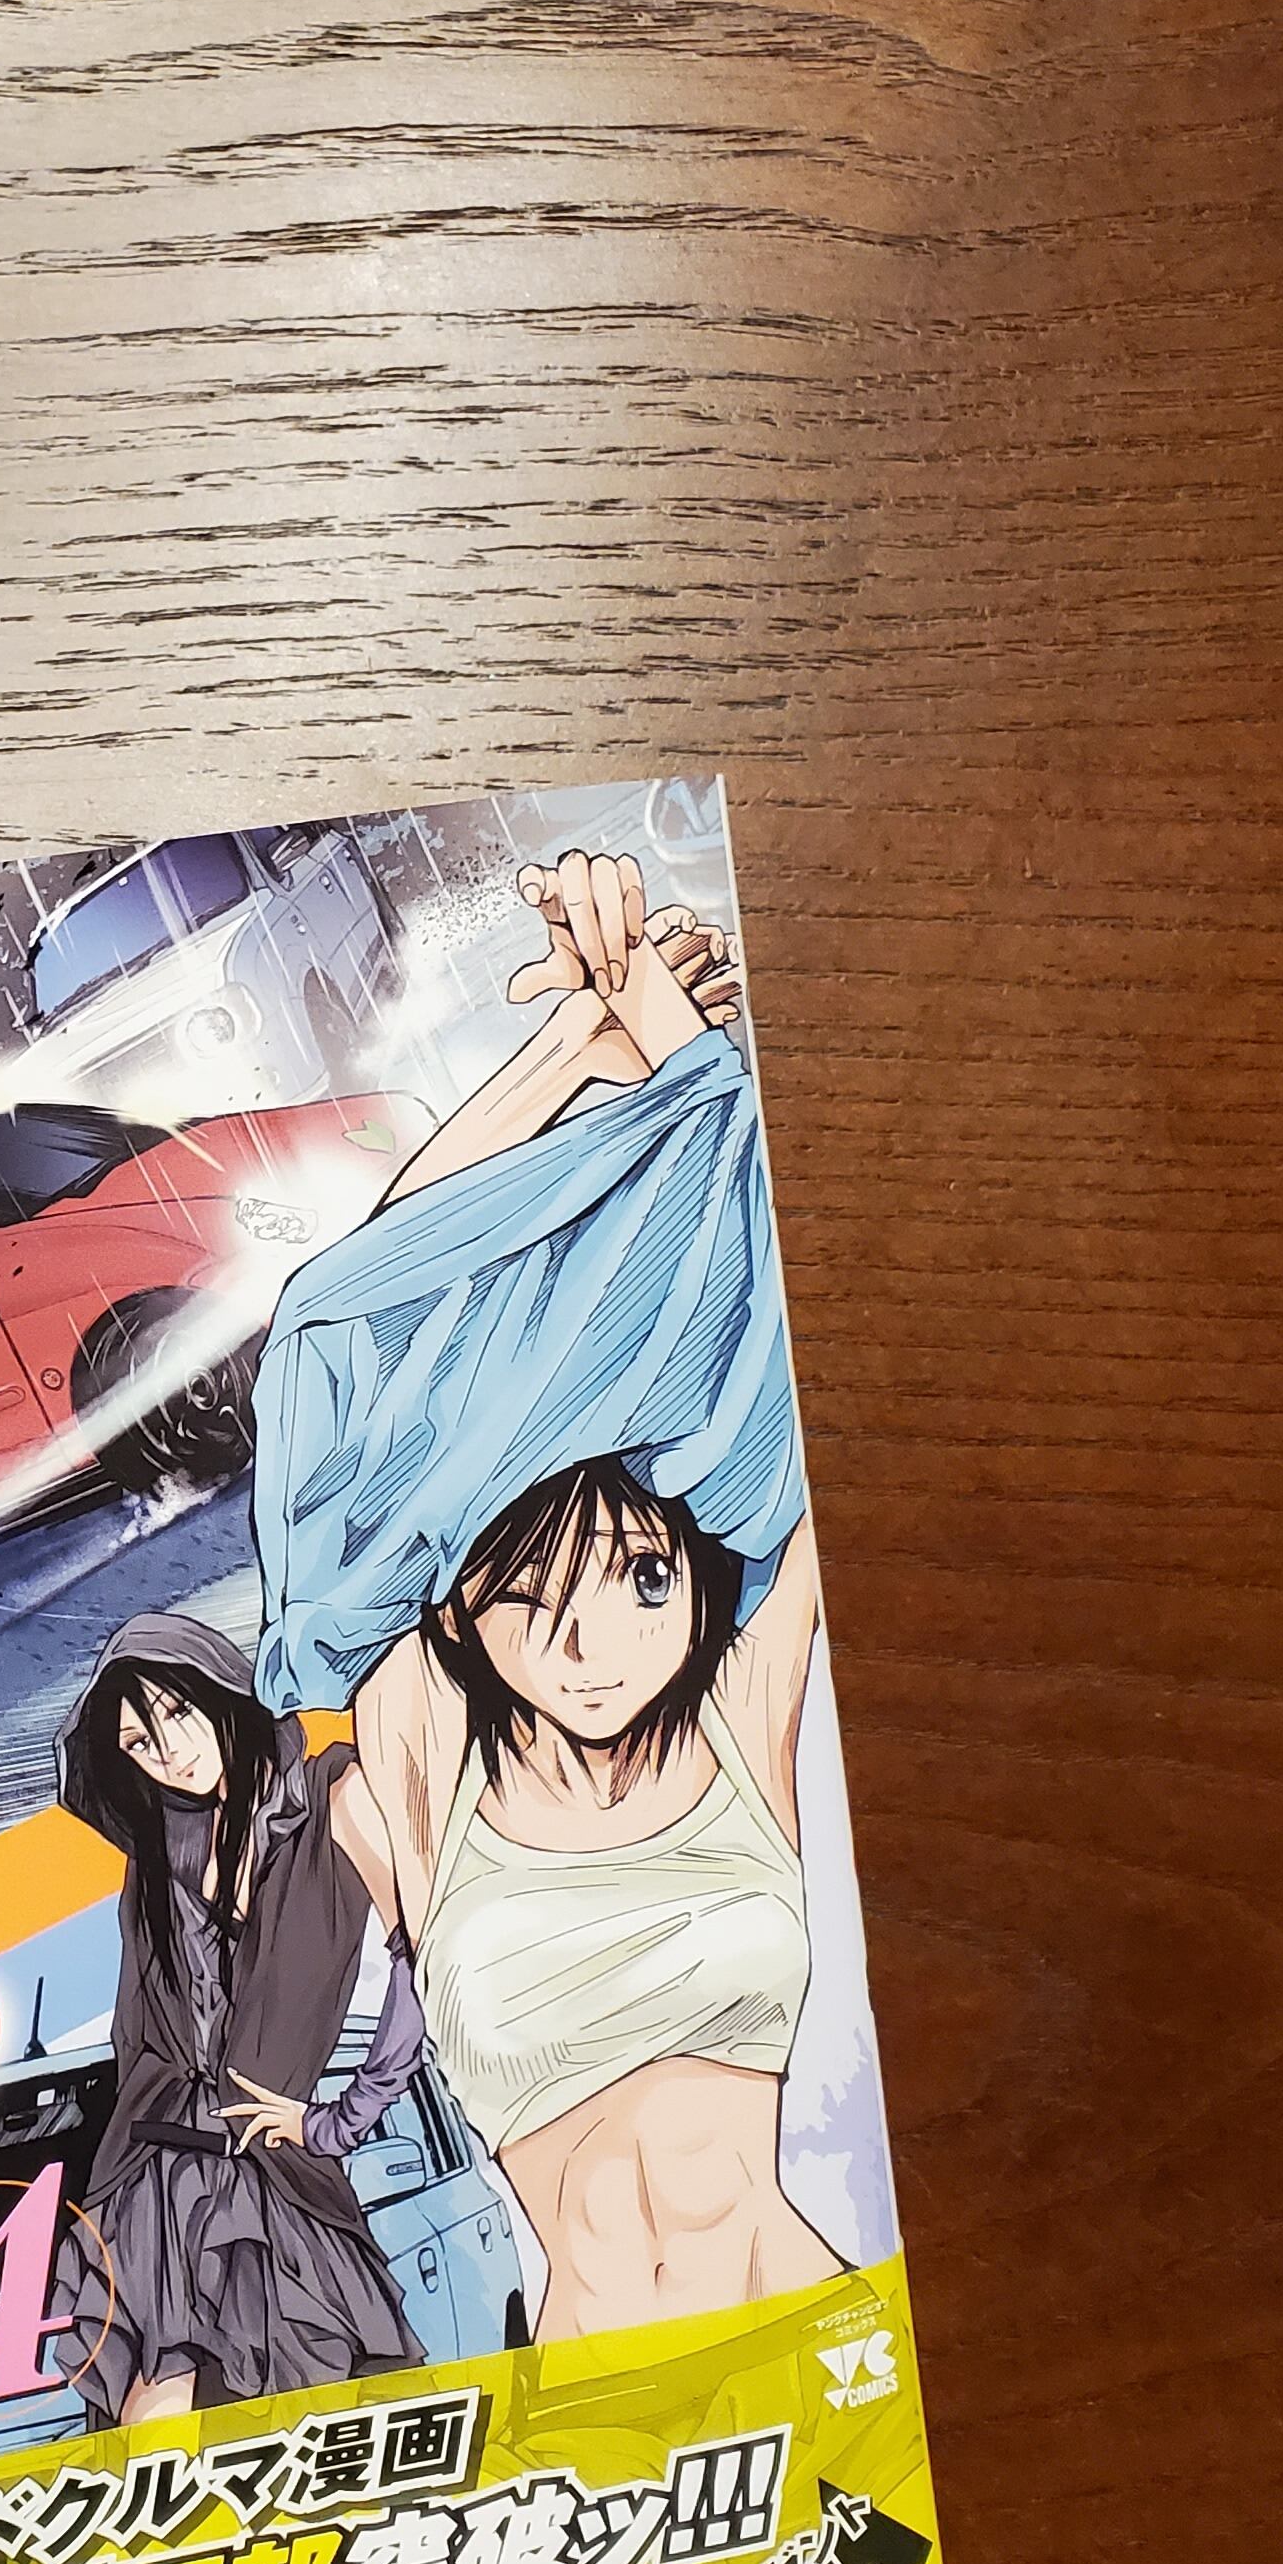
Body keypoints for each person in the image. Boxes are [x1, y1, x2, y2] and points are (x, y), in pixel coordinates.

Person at [252, 848, 844, 2346]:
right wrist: (571, 1045)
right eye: (531, 1599)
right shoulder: (425, 1763)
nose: (592, 1647)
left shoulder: (741, 1719)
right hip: (598, 2392)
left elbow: (770, 1269)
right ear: (460, 1611)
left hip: (809, 2334)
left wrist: (661, 1020)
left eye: (642, 1578)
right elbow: (367, 1317)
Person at [55, 1610, 431, 2426]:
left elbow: (425, 1959)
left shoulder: (338, 1797)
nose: (169, 1752)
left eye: (178, 1712)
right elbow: (139, 2036)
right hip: (160, 2180)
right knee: (156, 2427)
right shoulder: (158, 1859)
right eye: (138, 1742)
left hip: (279, 2174)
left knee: (314, 2418)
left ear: (221, 1689)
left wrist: (341, 2119)